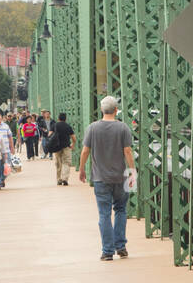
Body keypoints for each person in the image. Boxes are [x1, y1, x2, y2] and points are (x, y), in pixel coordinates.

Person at [79, 96, 136, 260]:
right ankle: (121, 246)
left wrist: (82, 169)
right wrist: (132, 172)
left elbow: (85, 151)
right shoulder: (123, 128)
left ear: (102, 110)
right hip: (120, 177)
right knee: (121, 210)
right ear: (116, 110)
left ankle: (107, 251)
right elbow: (127, 152)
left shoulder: (92, 128)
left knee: (104, 214)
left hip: (100, 178)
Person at [50, 112, 76, 185]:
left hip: (57, 147)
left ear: (58, 118)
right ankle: (65, 178)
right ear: (65, 119)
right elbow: (74, 138)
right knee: (66, 162)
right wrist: (73, 144)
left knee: (58, 163)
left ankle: (59, 179)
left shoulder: (54, 125)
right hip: (66, 147)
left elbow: (49, 135)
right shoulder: (68, 126)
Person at [0, 113, 15, 186]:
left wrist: (12, 148)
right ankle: (0, 181)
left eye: (0, 119)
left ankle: (2, 179)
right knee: (0, 167)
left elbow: (10, 137)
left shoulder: (5, 126)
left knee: (8, 166)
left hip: (6, 150)